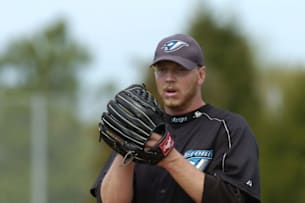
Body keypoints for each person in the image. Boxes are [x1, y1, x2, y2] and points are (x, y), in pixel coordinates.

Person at [90, 33, 261, 203]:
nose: (169, 79)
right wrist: (124, 151)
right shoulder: (141, 128)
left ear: (201, 75)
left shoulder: (228, 129)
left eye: (180, 70)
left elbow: (235, 199)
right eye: (162, 70)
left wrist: (170, 158)